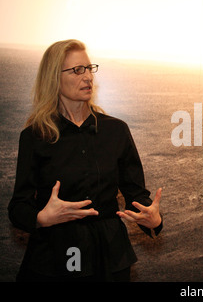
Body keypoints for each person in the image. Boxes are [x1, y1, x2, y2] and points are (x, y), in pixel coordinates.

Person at [8, 39, 163, 282]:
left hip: (110, 257)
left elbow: (136, 195)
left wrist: (153, 219)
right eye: (77, 70)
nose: (88, 77)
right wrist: (41, 218)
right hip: (54, 258)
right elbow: (18, 208)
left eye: (89, 69)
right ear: (53, 78)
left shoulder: (116, 130)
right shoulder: (35, 136)